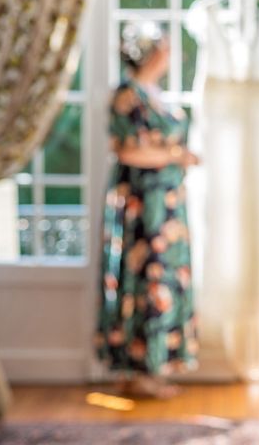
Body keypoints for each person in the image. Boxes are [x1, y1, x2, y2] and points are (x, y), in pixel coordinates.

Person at [95, 22, 199, 399]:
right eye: (166, 47)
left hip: (165, 201)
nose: (171, 53)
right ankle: (138, 368)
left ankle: (151, 366)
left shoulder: (153, 93)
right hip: (142, 203)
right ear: (151, 52)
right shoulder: (128, 93)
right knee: (144, 279)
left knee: (160, 278)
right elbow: (125, 149)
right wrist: (175, 155)